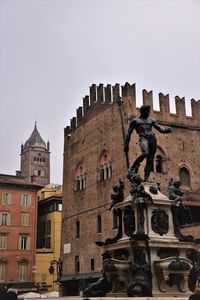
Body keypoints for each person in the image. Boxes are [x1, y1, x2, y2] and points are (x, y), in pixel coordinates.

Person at [124, 105, 171, 181]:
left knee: (150, 160)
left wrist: (166, 130)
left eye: (149, 112)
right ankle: (132, 168)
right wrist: (126, 144)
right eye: (147, 111)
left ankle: (146, 179)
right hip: (143, 138)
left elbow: (159, 128)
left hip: (152, 139)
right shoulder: (135, 121)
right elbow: (129, 133)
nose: (148, 113)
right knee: (145, 152)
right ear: (142, 111)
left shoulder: (151, 120)